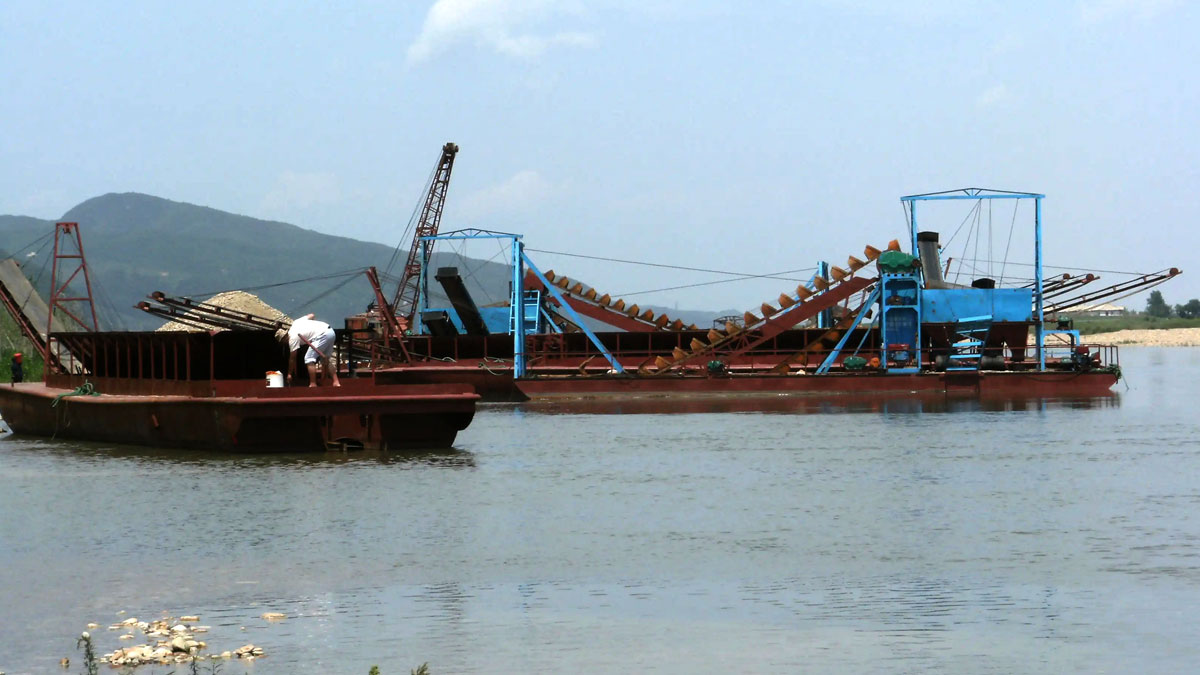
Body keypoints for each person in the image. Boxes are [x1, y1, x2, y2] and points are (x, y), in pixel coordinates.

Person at [279, 314, 341, 387]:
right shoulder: (296, 322)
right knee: (325, 359)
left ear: (284, 338)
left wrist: (289, 374)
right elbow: (312, 315)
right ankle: (336, 382)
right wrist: (312, 328)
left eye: (283, 342)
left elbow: (292, 358)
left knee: (309, 359)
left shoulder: (292, 339)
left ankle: (313, 383)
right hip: (330, 332)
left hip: (322, 335)